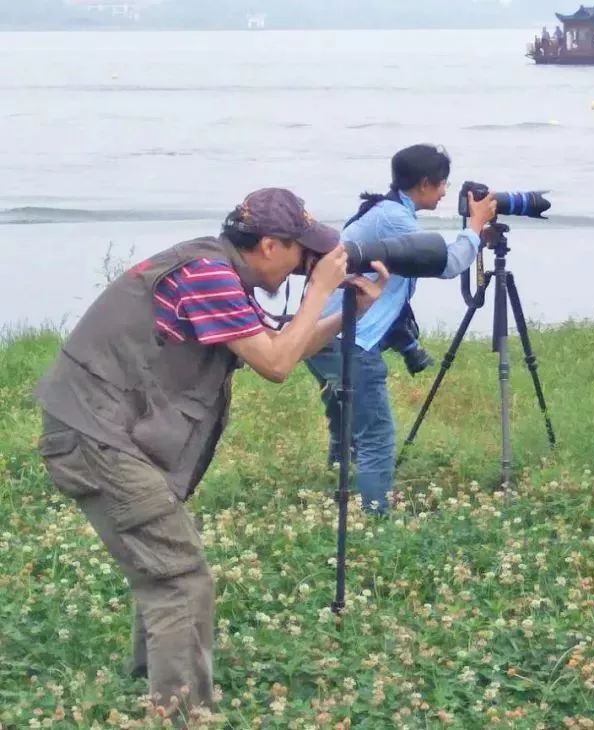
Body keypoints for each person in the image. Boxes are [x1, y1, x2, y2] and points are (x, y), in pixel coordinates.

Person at [33, 188, 391, 718]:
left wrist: (343, 313)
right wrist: (321, 289)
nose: (305, 265)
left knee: (163, 562)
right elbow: (275, 364)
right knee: (179, 577)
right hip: (96, 436)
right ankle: (181, 713)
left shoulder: (215, 271)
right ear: (270, 245)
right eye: (301, 252)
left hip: (103, 431)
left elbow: (277, 344)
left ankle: (147, 683)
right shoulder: (208, 274)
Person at [305, 144, 497, 514]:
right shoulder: (394, 218)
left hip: (327, 333)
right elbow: (446, 264)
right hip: (347, 336)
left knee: (346, 421)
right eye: (442, 185)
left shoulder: (385, 211)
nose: (444, 193)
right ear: (424, 184)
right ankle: (374, 518)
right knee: (375, 435)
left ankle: (333, 501)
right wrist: (474, 228)